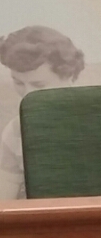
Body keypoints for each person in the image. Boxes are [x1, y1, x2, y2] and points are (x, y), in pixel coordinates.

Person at [0, 25, 86, 200]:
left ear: (69, 76)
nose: (27, 93)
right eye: (18, 83)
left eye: (38, 85)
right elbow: (4, 198)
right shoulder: (16, 130)